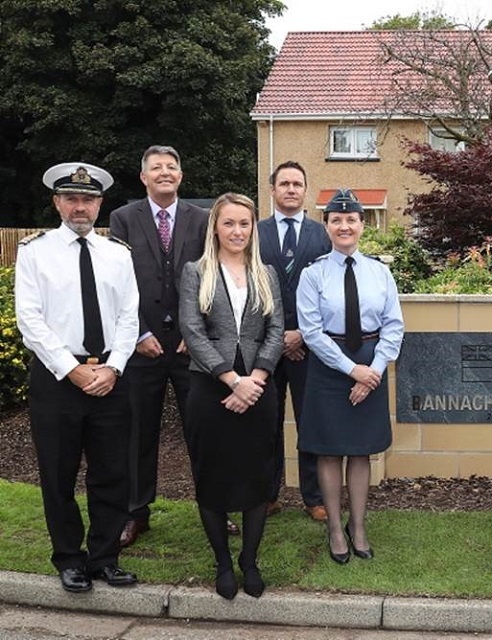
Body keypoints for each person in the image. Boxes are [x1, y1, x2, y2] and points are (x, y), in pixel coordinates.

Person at [16, 162, 140, 592]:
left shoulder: (118, 253)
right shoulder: (35, 251)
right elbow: (29, 319)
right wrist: (71, 370)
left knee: (112, 473)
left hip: (110, 374)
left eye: (88, 199)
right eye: (71, 198)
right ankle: (69, 558)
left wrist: (115, 366)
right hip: (57, 378)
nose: (80, 206)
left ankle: (105, 558)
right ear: (57, 202)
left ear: (100, 204)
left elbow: (129, 316)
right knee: (58, 472)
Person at [179, 193, 284, 599]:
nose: (237, 231)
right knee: (213, 476)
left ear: (252, 228)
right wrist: (230, 379)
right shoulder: (196, 271)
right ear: (216, 228)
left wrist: (254, 378)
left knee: (257, 475)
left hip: (260, 387)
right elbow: (192, 329)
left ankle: (249, 561)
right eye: (229, 223)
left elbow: (277, 329)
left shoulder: (267, 273)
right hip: (210, 388)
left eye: (244, 223)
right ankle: (223, 563)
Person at [109, 145, 210, 547]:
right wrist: (139, 334)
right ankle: (136, 513)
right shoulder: (122, 218)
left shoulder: (201, 220)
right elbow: (118, 281)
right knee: (138, 434)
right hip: (142, 345)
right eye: (156, 167)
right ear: (144, 177)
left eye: (171, 166)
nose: (164, 172)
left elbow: (210, 278)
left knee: (202, 431)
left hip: (190, 346)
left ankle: (213, 508)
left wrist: (195, 331)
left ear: (180, 176)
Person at [297, 189, 403, 564]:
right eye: (336, 220)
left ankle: (358, 527)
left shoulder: (380, 272)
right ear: (326, 226)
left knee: (360, 452)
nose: (344, 226)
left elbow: (394, 326)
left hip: (370, 360)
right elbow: (311, 332)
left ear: (362, 225)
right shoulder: (313, 274)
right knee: (328, 451)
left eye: (351, 219)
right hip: (330, 365)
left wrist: (371, 371)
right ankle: (335, 529)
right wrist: (350, 369)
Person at [258, 161, 332, 521]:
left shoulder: (322, 235)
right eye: (283, 183)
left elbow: (327, 291)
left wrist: (303, 331)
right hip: (265, 347)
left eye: (297, 183)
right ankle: (267, 494)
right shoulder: (255, 233)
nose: (290, 189)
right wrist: (277, 335)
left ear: (305, 190)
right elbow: (249, 290)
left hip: (308, 346)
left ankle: (313, 497)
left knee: (311, 421)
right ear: (272, 189)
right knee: (266, 423)